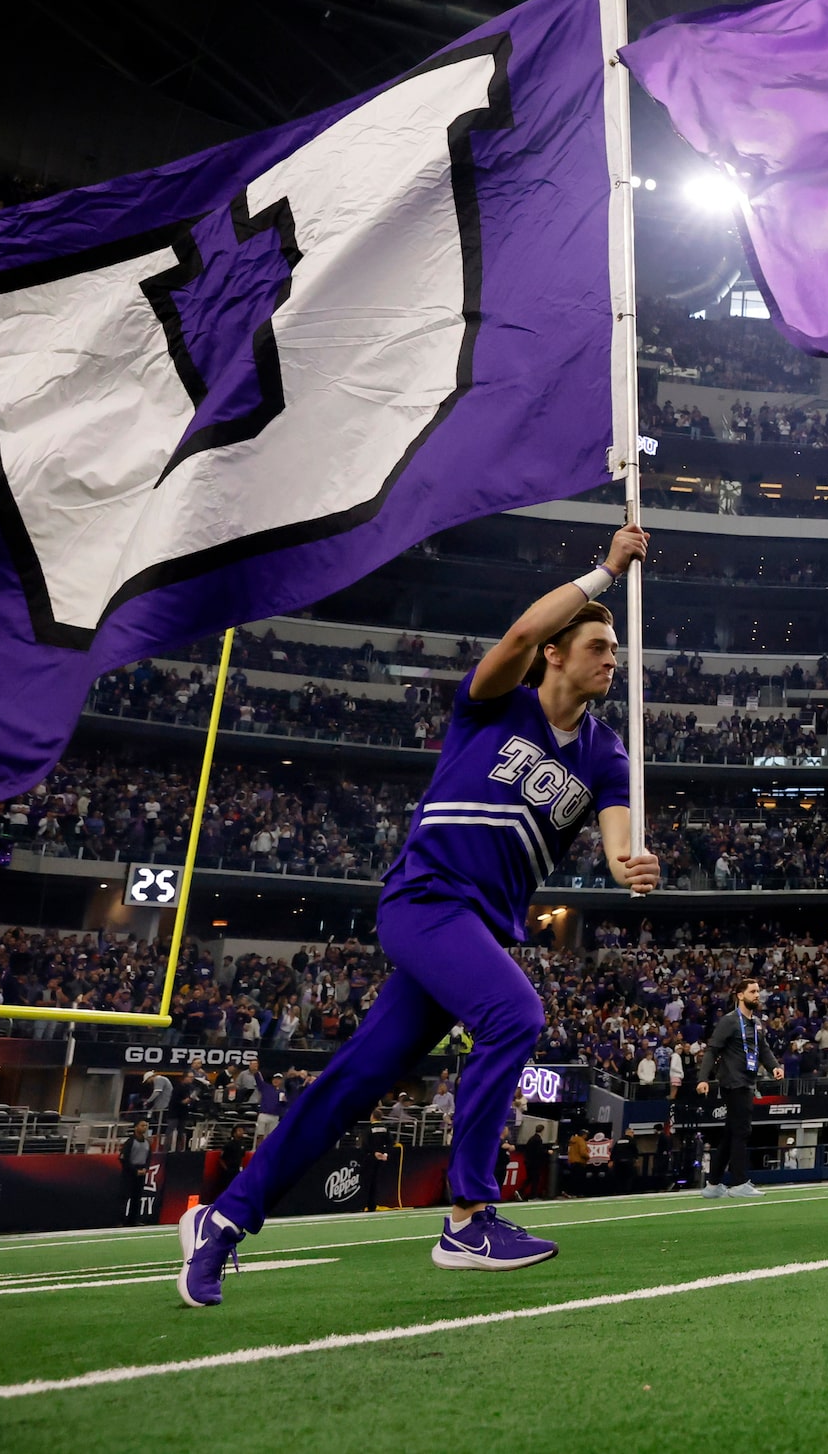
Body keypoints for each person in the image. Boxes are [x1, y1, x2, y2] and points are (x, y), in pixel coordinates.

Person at [180, 526, 658, 1306]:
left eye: (615, 649)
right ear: (557, 655)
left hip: (472, 930)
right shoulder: (492, 705)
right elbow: (519, 631)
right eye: (599, 645)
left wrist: (628, 862)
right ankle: (469, 1216)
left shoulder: (605, 754)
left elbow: (614, 839)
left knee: (352, 1083)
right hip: (425, 903)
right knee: (514, 1012)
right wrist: (604, 573)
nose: (612, 658)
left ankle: (223, 1220)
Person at [697, 976, 779, 1199]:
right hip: (734, 1082)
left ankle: (713, 1185)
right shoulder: (729, 1021)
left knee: (731, 1133)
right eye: (753, 991)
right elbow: (712, 1050)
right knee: (742, 1130)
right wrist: (703, 1078)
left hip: (748, 1081)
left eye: (758, 991)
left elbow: (764, 1050)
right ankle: (739, 1182)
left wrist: (775, 1068)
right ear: (740, 995)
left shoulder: (757, 1022)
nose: (757, 995)